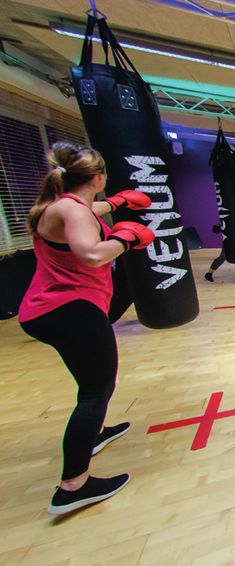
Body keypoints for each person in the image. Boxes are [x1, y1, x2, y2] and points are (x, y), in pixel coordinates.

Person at [18, 142, 155, 515]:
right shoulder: (72, 210)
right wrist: (124, 239)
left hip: (49, 308)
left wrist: (117, 203)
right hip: (71, 309)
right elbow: (92, 255)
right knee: (96, 390)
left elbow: (89, 211)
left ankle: (94, 433)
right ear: (98, 177)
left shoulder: (61, 205)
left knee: (91, 385)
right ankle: (73, 486)